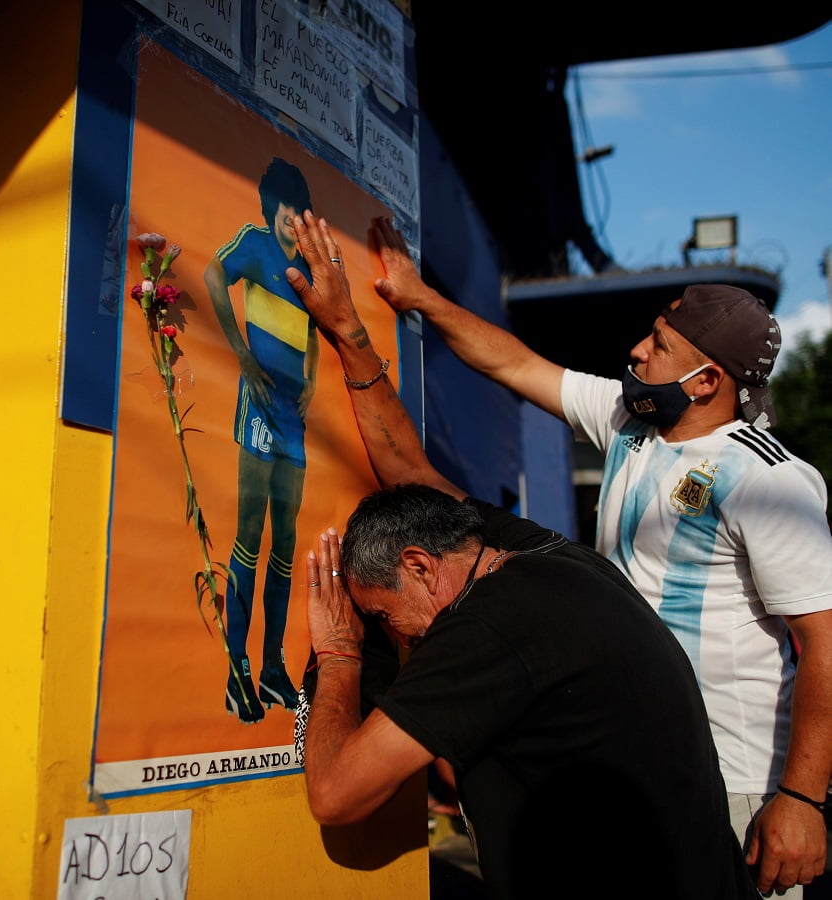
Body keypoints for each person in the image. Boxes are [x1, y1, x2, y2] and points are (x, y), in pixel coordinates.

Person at [284, 210, 759, 899]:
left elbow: (334, 795)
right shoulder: (540, 558)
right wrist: (351, 332)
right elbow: (413, 475)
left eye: (384, 615)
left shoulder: (486, 630)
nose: (396, 636)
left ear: (419, 565)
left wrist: (340, 654)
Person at [203, 158, 319, 724]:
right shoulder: (253, 244)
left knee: (286, 544)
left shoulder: (309, 271)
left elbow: (316, 329)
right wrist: (242, 355)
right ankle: (236, 672)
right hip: (258, 414)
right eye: (289, 210)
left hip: (294, 427)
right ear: (272, 209)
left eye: (303, 212)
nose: (296, 221)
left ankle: (272, 665)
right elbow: (209, 277)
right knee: (250, 535)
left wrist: (314, 379)